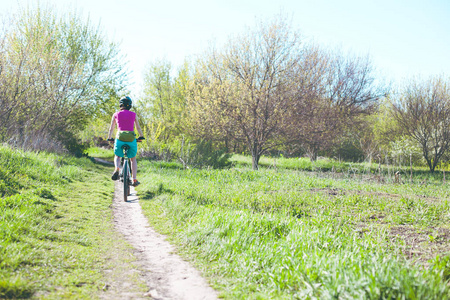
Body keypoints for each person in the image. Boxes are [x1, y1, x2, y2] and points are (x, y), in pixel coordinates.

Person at [107, 96, 144, 186]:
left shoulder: (116, 114)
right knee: (133, 159)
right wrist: (141, 136)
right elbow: (138, 127)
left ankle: (116, 169)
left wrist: (109, 137)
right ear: (130, 105)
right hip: (131, 138)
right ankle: (134, 179)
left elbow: (111, 128)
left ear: (120, 104)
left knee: (117, 156)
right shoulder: (133, 114)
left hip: (120, 137)